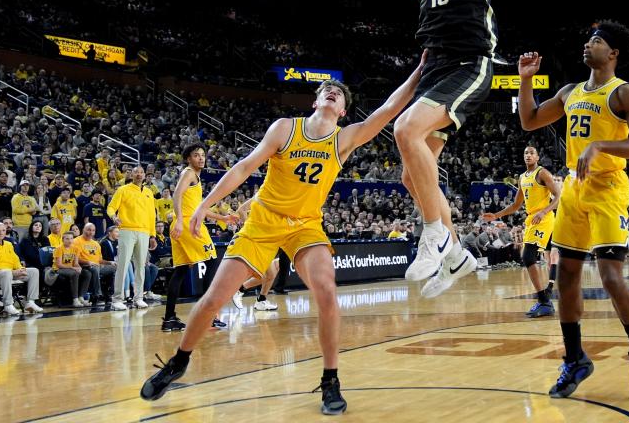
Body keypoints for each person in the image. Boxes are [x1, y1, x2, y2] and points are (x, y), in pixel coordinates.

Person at [141, 54, 426, 414]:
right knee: (213, 299)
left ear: (342, 112)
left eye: (339, 94)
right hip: (263, 221)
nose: (333, 93)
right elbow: (245, 167)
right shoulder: (284, 128)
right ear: (315, 100)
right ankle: (179, 361)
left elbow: (386, 109)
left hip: (305, 225)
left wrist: (418, 72)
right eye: (327, 90)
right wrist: (202, 205)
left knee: (326, 290)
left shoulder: (344, 140)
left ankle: (330, 379)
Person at [350, 0, 497, 297]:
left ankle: (434, 235)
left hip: (468, 64)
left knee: (405, 130)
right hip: (435, 70)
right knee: (411, 177)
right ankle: (455, 255)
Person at [517, 21, 629, 401]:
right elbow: (529, 120)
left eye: (597, 41)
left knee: (611, 278)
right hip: (574, 190)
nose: (588, 44)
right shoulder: (570, 92)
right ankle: (576, 359)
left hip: (608, 189)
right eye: (588, 39)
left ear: (612, 53)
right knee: (565, 278)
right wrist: (526, 80)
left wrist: (601, 146)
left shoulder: (624, 93)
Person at [481, 146, 561, 317]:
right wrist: (496, 215)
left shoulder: (542, 173)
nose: (528, 155)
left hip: (544, 219)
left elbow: (558, 196)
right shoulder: (522, 177)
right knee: (541, 256)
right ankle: (546, 295)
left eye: (531, 152)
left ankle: (544, 301)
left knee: (528, 257)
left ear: (537, 156)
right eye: (525, 153)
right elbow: (516, 205)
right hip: (532, 219)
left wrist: (544, 211)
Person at [162, 144, 228, 332]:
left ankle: (169, 319)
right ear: (188, 159)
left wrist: (222, 217)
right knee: (213, 262)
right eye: (196, 155)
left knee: (180, 271)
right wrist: (181, 221)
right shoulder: (189, 173)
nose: (200, 158)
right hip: (187, 226)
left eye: (202, 155)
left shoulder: (195, 177)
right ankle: (207, 317)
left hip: (183, 225)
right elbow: (175, 195)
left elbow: (199, 208)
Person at [107, 166, 158, 311]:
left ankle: (139, 298)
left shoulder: (149, 192)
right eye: (136, 172)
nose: (139, 174)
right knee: (123, 264)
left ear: (145, 175)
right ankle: (117, 299)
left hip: (144, 232)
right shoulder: (123, 190)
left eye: (141, 172)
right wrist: (114, 217)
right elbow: (110, 207)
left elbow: (152, 215)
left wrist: (152, 235)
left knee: (141, 266)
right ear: (131, 174)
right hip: (127, 230)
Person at [0, 222, 43, 315]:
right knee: (6, 273)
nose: (1, 233)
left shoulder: (8, 244)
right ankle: (8, 305)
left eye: (3, 230)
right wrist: (13, 272)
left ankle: (31, 302)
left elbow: (15, 260)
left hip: (10, 272)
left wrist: (21, 269)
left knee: (34, 271)